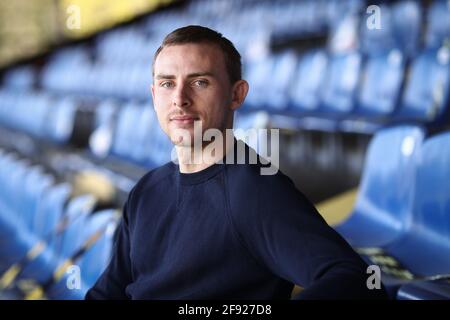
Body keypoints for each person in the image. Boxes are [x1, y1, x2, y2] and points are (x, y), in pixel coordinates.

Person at [85, 25, 387, 300]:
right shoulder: (147, 190)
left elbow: (355, 281)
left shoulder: (255, 191)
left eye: (199, 82)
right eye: (166, 84)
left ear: (236, 94)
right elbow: (108, 292)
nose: (179, 99)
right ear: (154, 95)